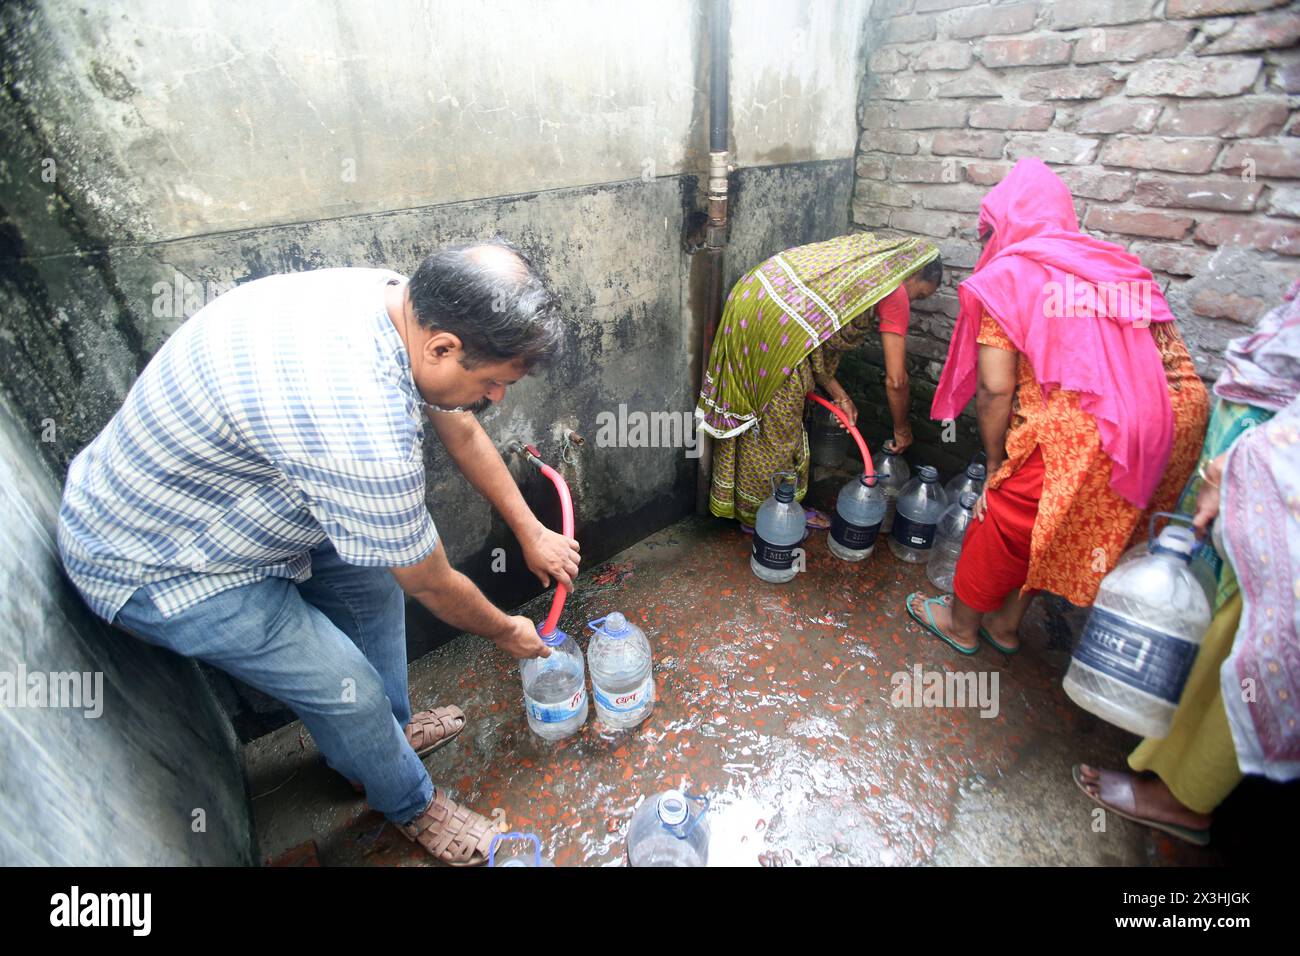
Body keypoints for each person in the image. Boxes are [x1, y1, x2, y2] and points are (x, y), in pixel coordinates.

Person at [57, 239, 582, 866]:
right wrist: (509, 632)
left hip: (241, 499)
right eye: (493, 382)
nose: (496, 398)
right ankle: (409, 802)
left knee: (373, 587)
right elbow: (432, 582)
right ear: (442, 347)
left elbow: (457, 417)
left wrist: (530, 530)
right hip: (160, 558)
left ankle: (376, 746)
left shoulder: (400, 300)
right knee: (346, 688)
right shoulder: (361, 422)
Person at [907, 158, 1208, 655]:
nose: (987, 244)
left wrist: (997, 464)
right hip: (1173, 417)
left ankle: (961, 626)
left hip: (1092, 427)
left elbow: (995, 388)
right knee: (1058, 523)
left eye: (988, 232)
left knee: (1002, 517)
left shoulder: (1012, 274)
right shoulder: (1107, 262)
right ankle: (1004, 626)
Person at [1075, 279, 1300, 845]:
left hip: (1279, 493)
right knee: (1223, 633)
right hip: (1257, 483)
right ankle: (1167, 760)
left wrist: (1247, 465)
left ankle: (1187, 799)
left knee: (1262, 652)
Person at [696, 231, 941, 530]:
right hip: (778, 325)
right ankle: (767, 513)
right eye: (921, 295)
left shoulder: (862, 255)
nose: (913, 302)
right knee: (779, 429)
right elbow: (896, 380)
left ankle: (742, 501)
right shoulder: (895, 289)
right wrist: (903, 430)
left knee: (758, 418)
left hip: (754, 296)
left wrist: (841, 396)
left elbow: (813, 336)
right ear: (914, 272)